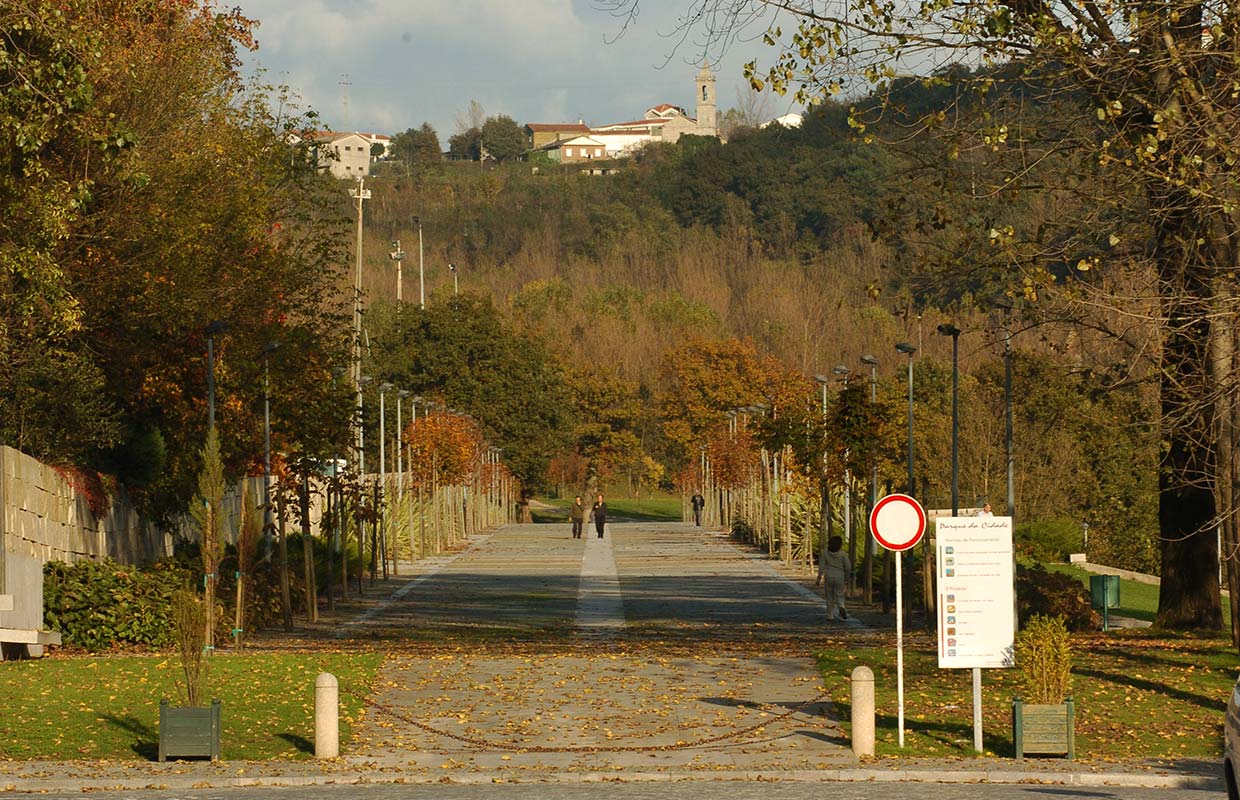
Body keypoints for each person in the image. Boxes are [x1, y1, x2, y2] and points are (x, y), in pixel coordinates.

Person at [822, 535, 851, 621]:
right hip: (840, 576)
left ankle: (830, 615)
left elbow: (821, 566)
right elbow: (848, 567)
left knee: (829, 596)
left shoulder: (825, 553)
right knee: (839, 594)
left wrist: (819, 577)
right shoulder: (843, 554)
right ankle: (841, 606)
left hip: (828, 575)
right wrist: (847, 578)